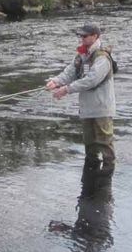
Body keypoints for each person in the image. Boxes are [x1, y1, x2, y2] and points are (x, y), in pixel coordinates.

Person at [46, 23, 117, 182]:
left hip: (102, 108)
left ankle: (107, 173)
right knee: (89, 142)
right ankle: (91, 170)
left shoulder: (102, 58)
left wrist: (66, 89)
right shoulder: (81, 55)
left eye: (85, 36)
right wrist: (55, 81)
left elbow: (91, 80)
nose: (82, 38)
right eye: (81, 36)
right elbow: (70, 72)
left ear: (95, 36)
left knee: (105, 141)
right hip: (86, 108)